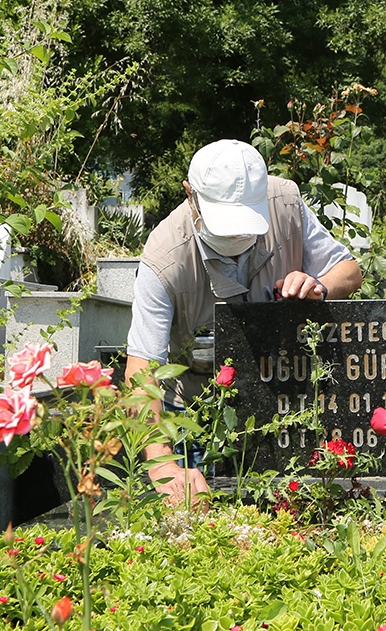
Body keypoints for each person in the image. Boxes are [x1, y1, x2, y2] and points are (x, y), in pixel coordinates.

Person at [123, 139, 363, 503]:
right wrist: (162, 466)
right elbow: (142, 371)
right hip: (194, 409)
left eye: (245, 222)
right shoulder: (163, 258)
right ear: (191, 196)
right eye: (225, 222)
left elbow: (349, 271)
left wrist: (320, 286)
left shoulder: (284, 203)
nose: (236, 235)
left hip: (279, 401)